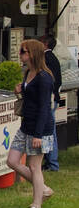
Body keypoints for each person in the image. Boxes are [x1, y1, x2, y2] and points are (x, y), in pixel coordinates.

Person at [8, 38, 56, 208]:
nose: (20, 54)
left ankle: (36, 204)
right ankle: (43, 188)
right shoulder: (28, 72)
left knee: (35, 166)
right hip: (26, 125)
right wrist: (20, 91)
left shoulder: (44, 78)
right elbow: (31, 100)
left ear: (32, 54)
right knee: (12, 161)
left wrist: (38, 135)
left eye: (23, 51)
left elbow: (45, 107)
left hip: (40, 128)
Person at [43, 35, 62, 171]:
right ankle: (50, 161)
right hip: (53, 98)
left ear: (45, 44)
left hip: (49, 99)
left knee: (49, 132)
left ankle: (52, 163)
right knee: (49, 131)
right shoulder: (53, 58)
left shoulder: (46, 59)